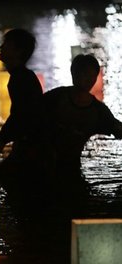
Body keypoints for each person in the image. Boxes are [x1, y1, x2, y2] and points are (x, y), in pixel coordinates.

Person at [42, 54, 122, 216]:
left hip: (70, 167)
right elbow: (28, 118)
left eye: (92, 75)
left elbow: (117, 129)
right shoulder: (56, 98)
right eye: (82, 74)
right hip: (42, 164)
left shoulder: (98, 111)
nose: (87, 79)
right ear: (73, 74)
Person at [0, 28, 47, 208]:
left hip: (31, 146)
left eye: (6, 45)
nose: (1, 47)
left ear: (18, 52)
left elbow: (20, 116)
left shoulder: (20, 79)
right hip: (30, 144)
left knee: (7, 183)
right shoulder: (22, 77)